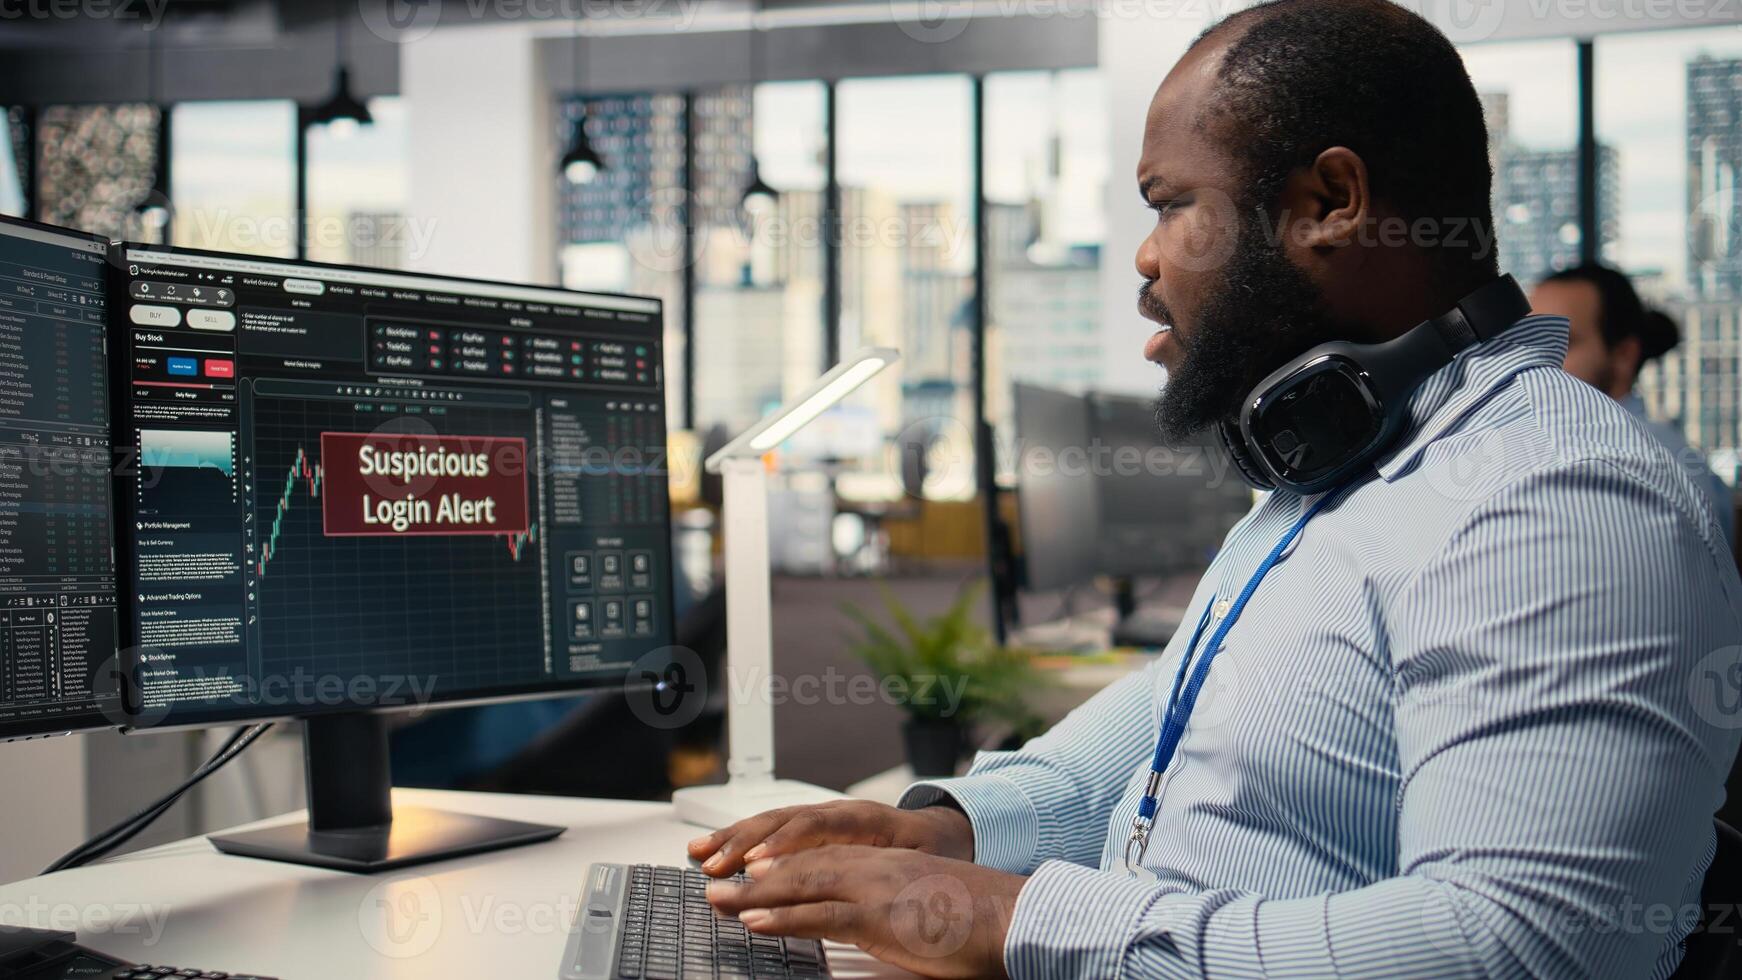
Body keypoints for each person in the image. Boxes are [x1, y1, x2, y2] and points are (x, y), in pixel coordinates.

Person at [691, 1, 1742, 976]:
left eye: (1172, 204)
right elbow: (1185, 721)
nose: (1144, 257)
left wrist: (1012, 916)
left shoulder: (1554, 495)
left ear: (1328, 202)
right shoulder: (1333, 465)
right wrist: (946, 828)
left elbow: (1527, 946)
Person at [1533, 263, 1736, 548]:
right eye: (1529, 341)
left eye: (1561, 342)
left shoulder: (1657, 468)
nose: (1535, 359)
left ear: (1624, 355)